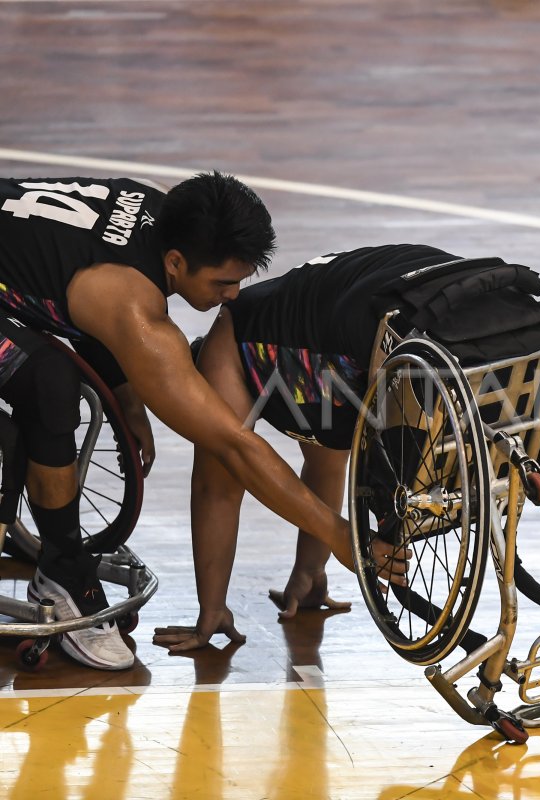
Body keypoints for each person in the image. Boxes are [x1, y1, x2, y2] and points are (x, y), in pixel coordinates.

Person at [0, 173, 406, 670]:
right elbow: (234, 448)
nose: (234, 295)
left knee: (55, 370)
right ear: (175, 263)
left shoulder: (158, 219)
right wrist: (343, 537)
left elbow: (68, 275)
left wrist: (128, 396)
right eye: (223, 281)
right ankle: (63, 571)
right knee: (48, 383)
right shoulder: (136, 308)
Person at [151, 244, 540, 653]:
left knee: (265, 444)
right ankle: (310, 575)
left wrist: (213, 607)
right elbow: (328, 455)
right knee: (335, 427)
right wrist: (311, 569)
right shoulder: (300, 340)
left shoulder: (235, 339)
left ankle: (284, 582)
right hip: (461, 292)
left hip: (389, 311)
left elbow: (216, 487)